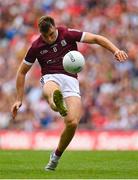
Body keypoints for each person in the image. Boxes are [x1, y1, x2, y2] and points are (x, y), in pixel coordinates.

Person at [11, 15, 128, 171]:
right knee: (52, 91)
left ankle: (55, 156)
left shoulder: (67, 33)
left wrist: (116, 50)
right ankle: (56, 103)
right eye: (45, 36)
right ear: (41, 34)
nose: (49, 39)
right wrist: (19, 99)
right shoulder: (36, 46)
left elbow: (96, 39)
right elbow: (21, 72)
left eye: (52, 34)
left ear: (55, 27)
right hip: (50, 77)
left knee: (72, 123)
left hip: (70, 80)